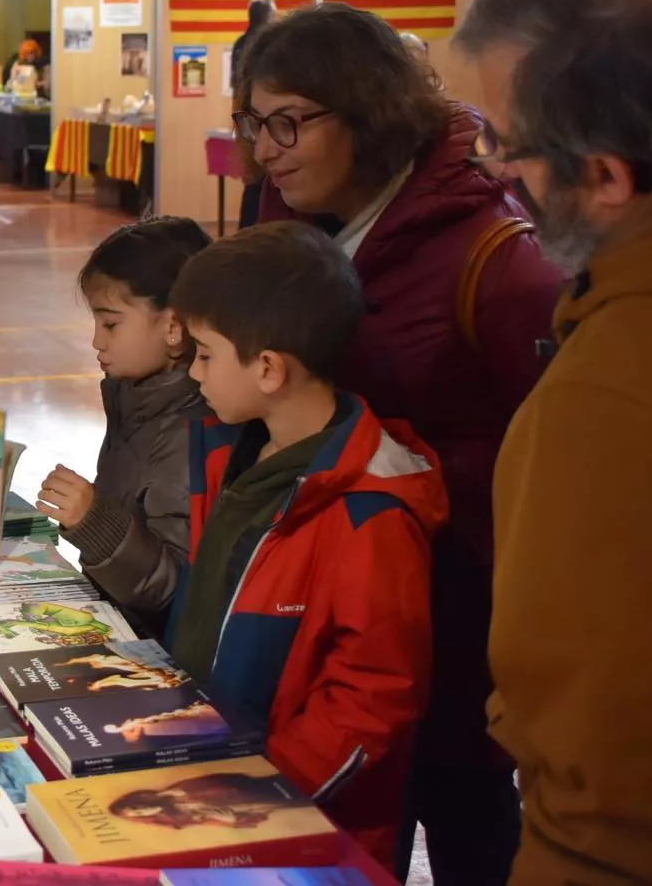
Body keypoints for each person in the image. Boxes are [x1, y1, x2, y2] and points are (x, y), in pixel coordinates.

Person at [236, 2, 564, 884]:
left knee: (464, 813)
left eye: (290, 122)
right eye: (253, 122)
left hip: (453, 596)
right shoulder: (287, 205)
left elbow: (557, 446)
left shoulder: (491, 252)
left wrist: (418, 483)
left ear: (369, 112)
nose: (266, 147)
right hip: (326, 577)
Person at [455, 0, 652, 881]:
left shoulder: (615, 393)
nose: (496, 170)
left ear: (608, 177)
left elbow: (598, 788)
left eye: (504, 141)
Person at [166, 221, 447, 868]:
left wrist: (255, 796)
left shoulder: (370, 514)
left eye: (206, 353)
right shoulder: (231, 453)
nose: (192, 371)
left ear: (267, 368)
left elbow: (372, 700)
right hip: (209, 796)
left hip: (305, 834)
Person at [35, 218, 213, 638]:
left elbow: (171, 588)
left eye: (111, 323)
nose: (97, 341)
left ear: (173, 327)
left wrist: (93, 521)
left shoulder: (190, 431)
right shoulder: (135, 400)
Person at [231, 0, 275, 231]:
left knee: (255, 181)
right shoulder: (266, 46)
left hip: (246, 118)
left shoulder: (241, 43)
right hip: (255, 117)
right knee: (262, 182)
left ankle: (247, 232)